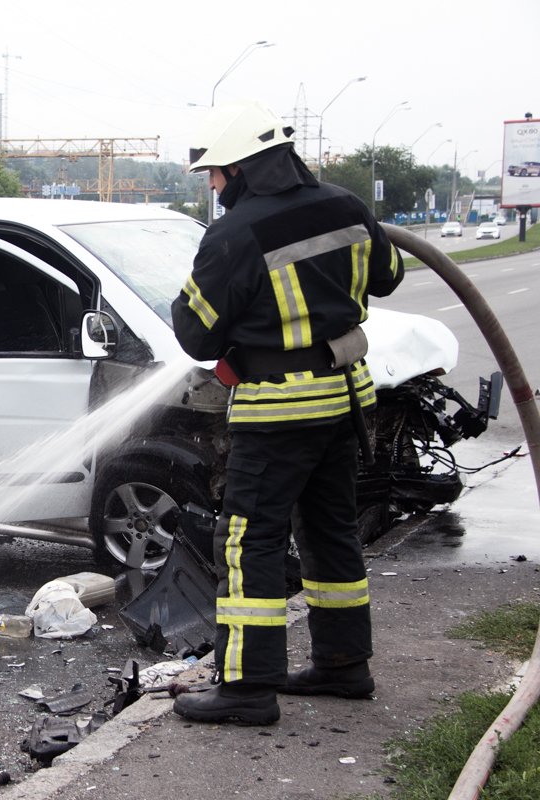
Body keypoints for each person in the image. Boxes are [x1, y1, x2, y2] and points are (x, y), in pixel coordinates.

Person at [169, 100, 404, 725]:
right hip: (344, 399)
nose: (213, 186)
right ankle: (343, 665)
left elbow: (195, 334)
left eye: (215, 173)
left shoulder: (234, 234)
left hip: (278, 408)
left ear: (242, 168)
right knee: (329, 530)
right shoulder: (347, 206)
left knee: (247, 540)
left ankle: (247, 689)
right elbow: (388, 275)